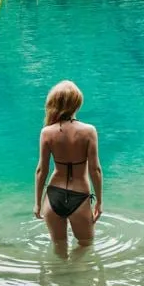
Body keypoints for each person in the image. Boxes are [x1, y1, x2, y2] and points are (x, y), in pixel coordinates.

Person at [34, 80, 103, 251]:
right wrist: (99, 202)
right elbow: (95, 170)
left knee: (59, 248)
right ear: (77, 103)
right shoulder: (89, 131)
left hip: (53, 195)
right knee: (86, 246)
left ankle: (61, 276)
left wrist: (37, 203)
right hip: (79, 195)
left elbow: (41, 170)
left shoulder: (47, 132)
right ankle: (75, 274)